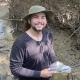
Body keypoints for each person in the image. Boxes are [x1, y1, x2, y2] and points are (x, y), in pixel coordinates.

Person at [10, 5, 58, 80]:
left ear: (46, 21)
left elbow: (51, 52)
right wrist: (40, 74)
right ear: (29, 21)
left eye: (43, 17)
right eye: (36, 17)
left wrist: (56, 64)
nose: (40, 21)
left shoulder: (48, 34)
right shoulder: (20, 42)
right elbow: (15, 69)